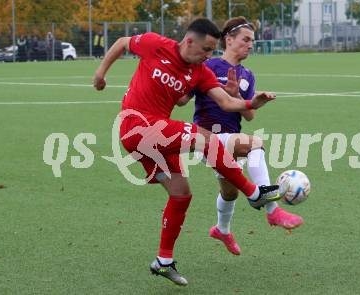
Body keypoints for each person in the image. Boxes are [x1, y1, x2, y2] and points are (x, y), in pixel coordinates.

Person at [93, 18, 281, 286]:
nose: (208, 56)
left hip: (157, 135)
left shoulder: (199, 71)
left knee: (181, 194)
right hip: (135, 124)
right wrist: (101, 73)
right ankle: (253, 194)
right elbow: (123, 42)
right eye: (205, 49)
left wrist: (252, 102)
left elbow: (227, 102)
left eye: (211, 51)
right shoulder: (155, 44)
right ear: (189, 41)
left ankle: (163, 261)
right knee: (206, 139)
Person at [188, 17, 303, 256]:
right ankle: (272, 210)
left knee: (230, 193)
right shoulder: (208, 66)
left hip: (230, 139)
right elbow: (184, 96)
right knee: (255, 144)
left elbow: (249, 115)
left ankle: (221, 230)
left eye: (252, 40)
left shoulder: (247, 75)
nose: (251, 44)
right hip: (207, 138)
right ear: (229, 40)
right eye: (246, 40)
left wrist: (236, 97)